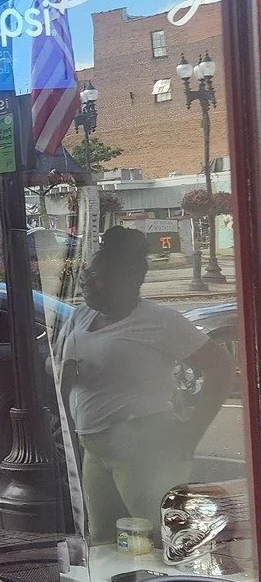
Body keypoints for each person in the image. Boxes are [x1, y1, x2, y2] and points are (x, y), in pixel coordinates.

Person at [58, 224, 233, 544]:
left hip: (144, 448)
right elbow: (61, 368)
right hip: (94, 446)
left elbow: (221, 366)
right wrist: (63, 374)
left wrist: (194, 429)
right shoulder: (81, 316)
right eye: (86, 274)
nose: (85, 282)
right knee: (105, 541)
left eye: (97, 276)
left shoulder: (160, 321)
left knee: (161, 538)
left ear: (128, 280)